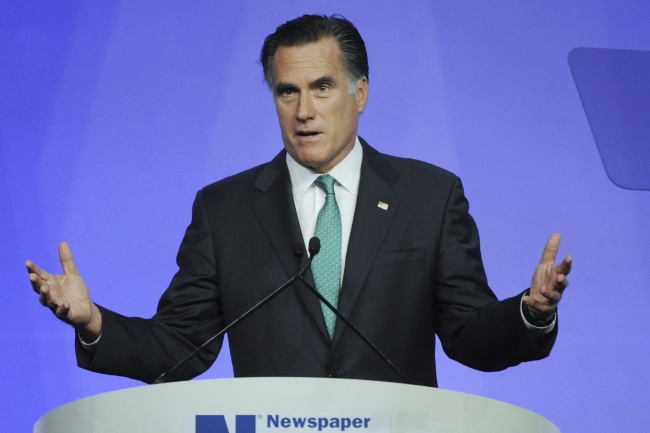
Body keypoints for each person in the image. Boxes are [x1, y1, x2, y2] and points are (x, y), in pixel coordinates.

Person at [26, 14, 571, 387]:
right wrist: (94, 322)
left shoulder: (430, 196)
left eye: (322, 87)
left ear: (360, 92)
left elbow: (469, 337)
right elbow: (180, 346)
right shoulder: (225, 210)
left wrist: (530, 312)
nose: (303, 110)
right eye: (287, 91)